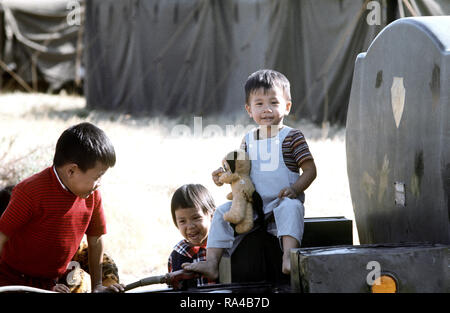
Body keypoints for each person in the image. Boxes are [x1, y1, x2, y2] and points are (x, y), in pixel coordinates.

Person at [182, 69, 317, 282]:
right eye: (259, 104)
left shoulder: (292, 137)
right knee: (221, 213)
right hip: (252, 207)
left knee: (293, 208)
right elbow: (240, 172)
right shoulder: (248, 139)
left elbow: (310, 170)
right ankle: (211, 262)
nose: (267, 110)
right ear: (249, 109)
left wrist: (295, 189)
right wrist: (223, 175)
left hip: (282, 203)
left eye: (274, 102)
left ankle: (289, 257)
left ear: (287, 106)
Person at [0, 122, 124, 293]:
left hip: (54, 279)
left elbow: (95, 240)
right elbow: (1, 235)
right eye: (98, 176)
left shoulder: (92, 195)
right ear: (72, 171)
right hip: (13, 279)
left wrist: (97, 286)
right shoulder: (30, 191)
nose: (99, 183)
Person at [168, 184, 217, 288]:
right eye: (182, 221)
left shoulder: (223, 247)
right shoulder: (176, 256)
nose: (190, 226)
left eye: (196, 218)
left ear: (212, 215)